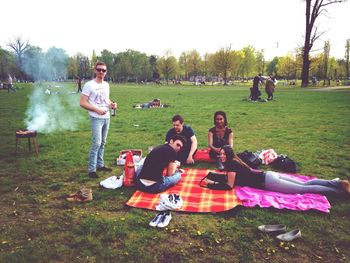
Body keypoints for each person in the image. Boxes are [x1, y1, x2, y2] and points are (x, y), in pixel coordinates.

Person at [206, 145, 350, 195]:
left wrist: (211, 185)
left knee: (303, 189)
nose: (221, 156)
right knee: (305, 184)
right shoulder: (236, 161)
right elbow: (231, 178)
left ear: (229, 155)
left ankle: (338, 190)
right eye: (221, 154)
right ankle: (338, 183)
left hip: (268, 182)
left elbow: (229, 185)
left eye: (224, 154)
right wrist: (213, 176)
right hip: (269, 174)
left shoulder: (231, 165)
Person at [80, 61, 117, 178]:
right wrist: (96, 110)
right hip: (96, 118)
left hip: (106, 117)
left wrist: (112, 104)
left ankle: (100, 165)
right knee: (96, 143)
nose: (101, 72)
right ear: (95, 71)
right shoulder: (89, 85)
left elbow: (106, 99)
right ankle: (92, 170)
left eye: (103, 70)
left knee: (103, 142)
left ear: (106, 72)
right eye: (99, 70)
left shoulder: (106, 85)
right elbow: (82, 103)